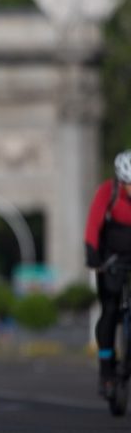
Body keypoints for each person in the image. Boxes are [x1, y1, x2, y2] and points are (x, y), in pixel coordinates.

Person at [84, 149, 131, 400]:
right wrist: (92, 254)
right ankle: (106, 368)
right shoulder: (108, 191)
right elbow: (93, 224)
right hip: (110, 256)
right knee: (110, 309)